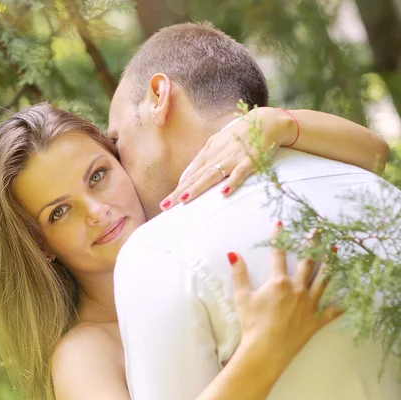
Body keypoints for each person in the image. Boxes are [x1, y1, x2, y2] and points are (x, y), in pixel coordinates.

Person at [0, 102, 388, 399]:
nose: (97, 211)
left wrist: (272, 122)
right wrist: (266, 348)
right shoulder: (82, 353)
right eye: (60, 212)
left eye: (98, 176)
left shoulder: (186, 232)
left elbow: (374, 153)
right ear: (38, 245)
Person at [109, 22, 400, 399]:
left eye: (116, 139)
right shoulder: (376, 191)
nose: (119, 160)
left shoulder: (156, 253)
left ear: (158, 96)